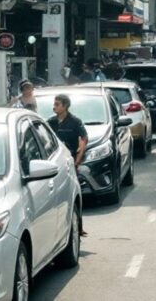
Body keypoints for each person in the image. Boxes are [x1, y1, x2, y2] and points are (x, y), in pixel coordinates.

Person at [48, 94, 89, 236]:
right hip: (53, 163)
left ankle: (78, 226)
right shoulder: (50, 122)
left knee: (74, 193)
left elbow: (84, 138)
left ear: (65, 106)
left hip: (70, 162)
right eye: (54, 103)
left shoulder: (75, 122)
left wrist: (78, 157)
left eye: (58, 104)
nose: (54, 106)